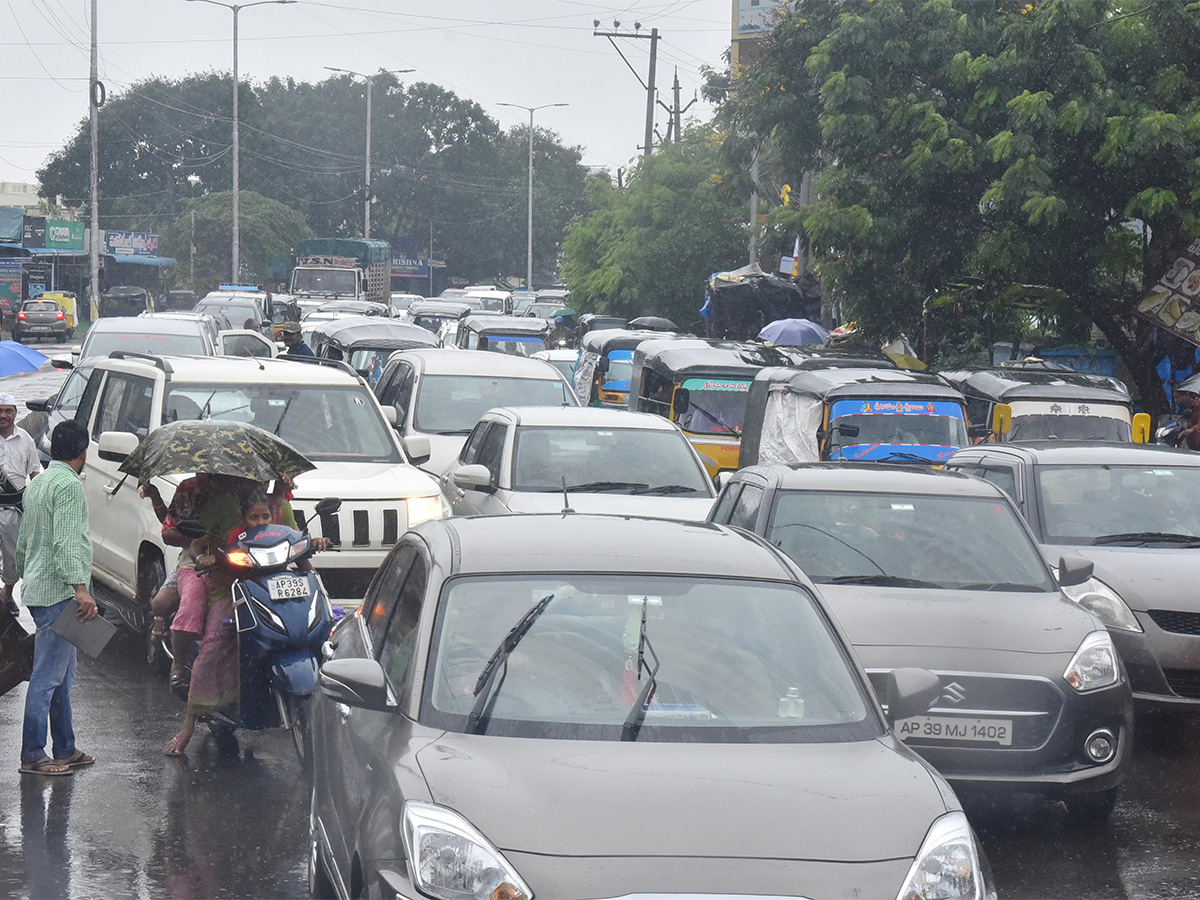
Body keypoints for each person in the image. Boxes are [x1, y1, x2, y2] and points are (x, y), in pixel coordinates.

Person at [16, 419, 97, 776]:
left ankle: (65, 748)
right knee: (48, 676)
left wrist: (18, 578)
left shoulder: (38, 484)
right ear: (84, 452)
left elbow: (23, 545)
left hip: (38, 587)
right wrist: (80, 589)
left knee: (62, 676)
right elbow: (66, 542)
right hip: (59, 592)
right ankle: (33, 753)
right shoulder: (68, 485)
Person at [0, 392, 42, 616]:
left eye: (8, 411)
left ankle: (7, 592)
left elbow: (35, 471)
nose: (4, 415)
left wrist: (42, 500)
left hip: (14, 508)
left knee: (13, 557)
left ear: (16, 413)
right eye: (0, 410)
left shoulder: (25, 438)